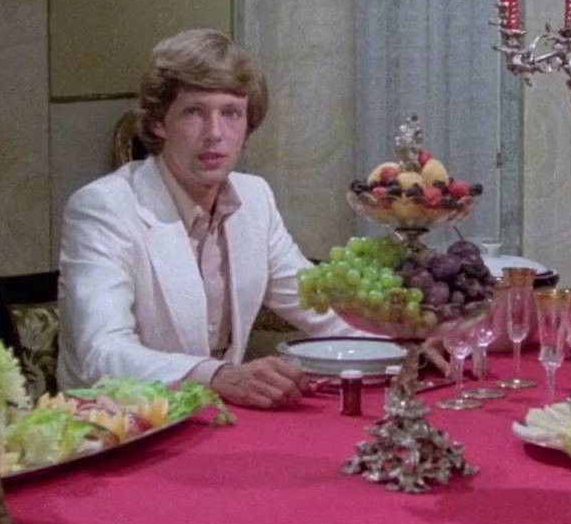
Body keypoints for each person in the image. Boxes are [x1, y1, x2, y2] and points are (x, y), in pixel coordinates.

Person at [57, 28, 356, 408]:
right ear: (159, 123)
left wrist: (409, 342)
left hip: (216, 420)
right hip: (119, 423)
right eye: (194, 112)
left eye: (231, 113)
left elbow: (321, 308)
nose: (215, 133)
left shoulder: (255, 198)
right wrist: (217, 376)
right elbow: (102, 352)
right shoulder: (104, 207)